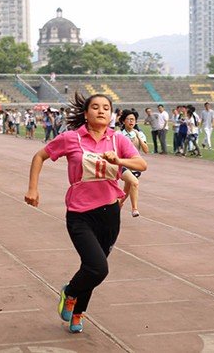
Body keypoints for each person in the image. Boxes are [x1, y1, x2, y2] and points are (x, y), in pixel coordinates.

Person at [24, 93, 147, 334]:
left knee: (91, 267)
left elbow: (142, 164)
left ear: (112, 114)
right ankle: (69, 292)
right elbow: (40, 156)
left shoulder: (118, 140)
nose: (101, 111)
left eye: (106, 108)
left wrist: (119, 159)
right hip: (80, 214)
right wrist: (32, 188)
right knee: (97, 267)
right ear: (86, 113)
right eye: (95, 107)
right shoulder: (70, 138)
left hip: (110, 214)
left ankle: (78, 312)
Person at [119, 109, 149, 217]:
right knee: (134, 182)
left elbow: (146, 150)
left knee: (127, 188)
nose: (131, 121)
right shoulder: (119, 134)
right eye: (129, 119)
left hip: (135, 165)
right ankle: (134, 209)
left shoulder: (139, 134)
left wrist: (139, 138)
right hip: (122, 165)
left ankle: (119, 204)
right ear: (123, 121)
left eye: (133, 119)